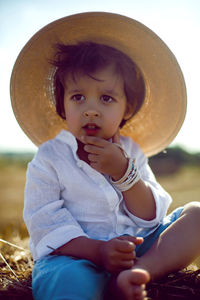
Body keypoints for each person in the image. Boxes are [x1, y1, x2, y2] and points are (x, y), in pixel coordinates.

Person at [10, 12, 200, 300]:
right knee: (68, 282)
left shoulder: (132, 152)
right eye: (78, 97)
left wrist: (125, 173)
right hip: (76, 256)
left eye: (106, 98)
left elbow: (150, 216)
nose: (91, 109)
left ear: (127, 108)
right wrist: (99, 250)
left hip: (134, 248)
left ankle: (139, 273)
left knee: (196, 215)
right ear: (62, 105)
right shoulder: (50, 157)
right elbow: (44, 220)